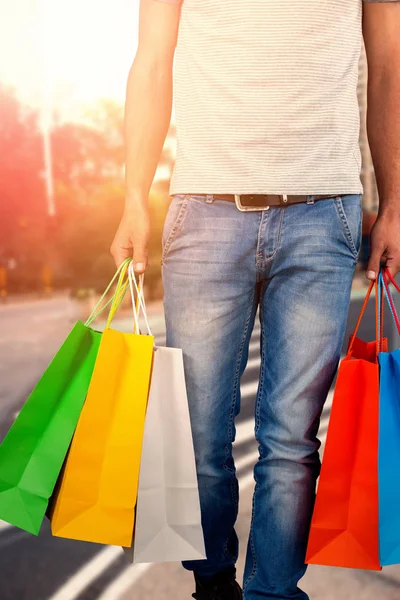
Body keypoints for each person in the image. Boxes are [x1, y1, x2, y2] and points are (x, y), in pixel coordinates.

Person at [111, 2, 400, 599]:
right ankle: (212, 583)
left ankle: (273, 592)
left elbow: (390, 63)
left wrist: (395, 199)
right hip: (205, 210)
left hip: (324, 216)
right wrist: (134, 195)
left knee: (292, 442)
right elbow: (152, 61)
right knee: (198, 438)